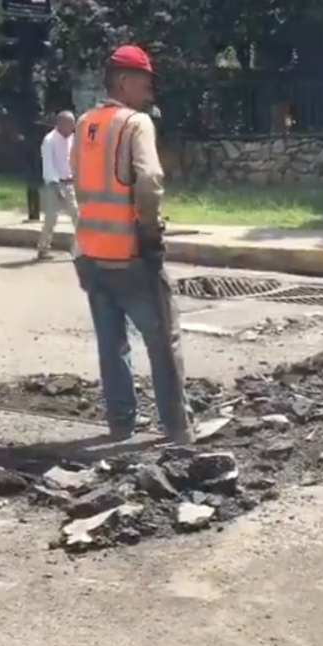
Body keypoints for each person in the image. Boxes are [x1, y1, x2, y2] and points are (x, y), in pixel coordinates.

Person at [69, 44, 193, 443]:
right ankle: (178, 428)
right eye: (145, 82)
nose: (151, 91)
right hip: (130, 254)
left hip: (91, 255)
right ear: (123, 81)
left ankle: (121, 425)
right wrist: (150, 234)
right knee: (163, 340)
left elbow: (80, 184)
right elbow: (150, 181)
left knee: (111, 343)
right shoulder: (134, 124)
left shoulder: (86, 123)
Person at [37, 111, 79, 260]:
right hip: (54, 184)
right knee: (51, 218)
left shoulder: (73, 139)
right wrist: (56, 187)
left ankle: (79, 250)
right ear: (60, 124)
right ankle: (43, 248)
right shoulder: (50, 140)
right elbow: (48, 165)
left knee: (77, 215)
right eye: (70, 123)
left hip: (70, 184)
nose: (74, 126)